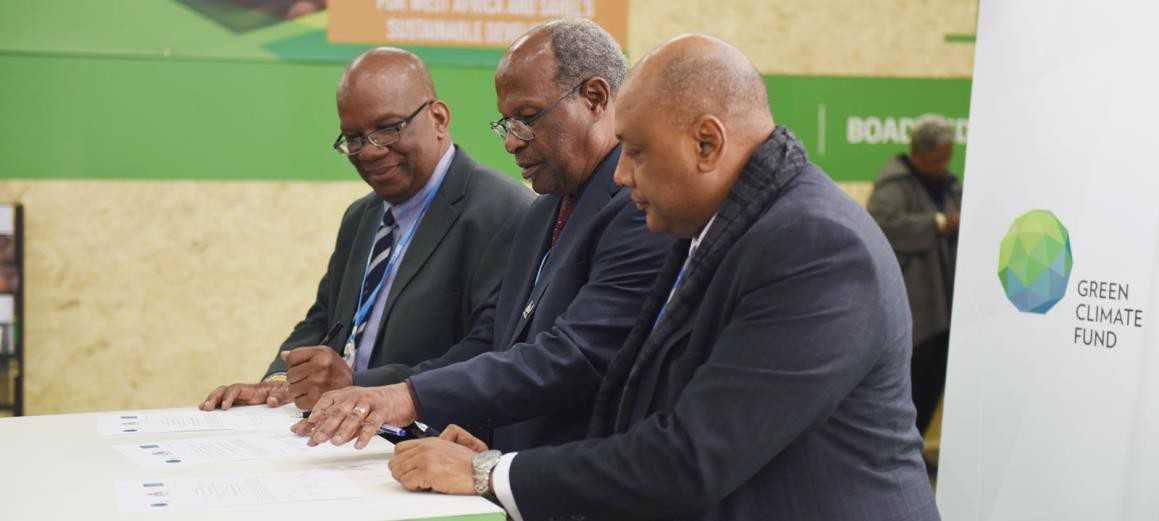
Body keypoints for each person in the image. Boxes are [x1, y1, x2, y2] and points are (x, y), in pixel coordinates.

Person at [385, 34, 940, 521]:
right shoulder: (712, 225)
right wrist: (500, 457)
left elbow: (691, 457)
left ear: (707, 143)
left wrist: (490, 473)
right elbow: (642, 411)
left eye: (636, 152)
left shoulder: (814, 248)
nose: (623, 174)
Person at [289, 19, 672, 452]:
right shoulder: (542, 213)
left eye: (526, 118)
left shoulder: (640, 209)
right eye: (507, 123)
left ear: (595, 98)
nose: (511, 142)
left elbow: (576, 356)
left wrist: (409, 398)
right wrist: (476, 444)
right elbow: (494, 342)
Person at [200, 48, 533, 411]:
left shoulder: (505, 213)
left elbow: (486, 353)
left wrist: (359, 387)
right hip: (340, 428)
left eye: (387, 130)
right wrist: (278, 382)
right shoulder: (360, 217)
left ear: (438, 118)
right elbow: (324, 320)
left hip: (429, 434)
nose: (369, 152)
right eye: (354, 138)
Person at [866, 114, 962, 435]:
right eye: (938, 159)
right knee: (910, 383)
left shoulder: (951, 185)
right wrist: (938, 224)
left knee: (935, 380)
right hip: (914, 305)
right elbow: (883, 226)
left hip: (946, 304)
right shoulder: (893, 185)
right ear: (918, 153)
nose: (944, 165)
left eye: (947, 158)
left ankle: (916, 446)